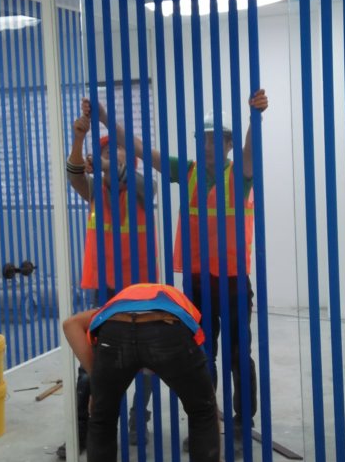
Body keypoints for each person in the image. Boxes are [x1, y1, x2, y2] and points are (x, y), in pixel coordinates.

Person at [98, 90, 268, 441]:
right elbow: (139, 147)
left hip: (233, 283)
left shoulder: (240, 173)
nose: (207, 146)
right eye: (202, 139)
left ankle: (241, 423)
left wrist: (255, 117)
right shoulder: (186, 171)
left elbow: (251, 151)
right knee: (201, 354)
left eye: (215, 140)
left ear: (229, 145)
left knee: (239, 355)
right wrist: (103, 118)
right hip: (197, 283)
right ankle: (205, 422)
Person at [63, 282, 242, 462]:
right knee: (202, 411)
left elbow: (70, 324)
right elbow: (206, 406)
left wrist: (97, 381)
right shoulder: (184, 312)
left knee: (102, 420)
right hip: (166, 330)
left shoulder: (112, 309)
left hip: (114, 335)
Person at [64, 99, 154, 455]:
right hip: (103, 289)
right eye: (105, 152)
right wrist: (78, 138)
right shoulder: (95, 192)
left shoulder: (143, 188)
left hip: (139, 290)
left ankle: (138, 419)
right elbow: (74, 174)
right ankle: (84, 431)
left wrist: (102, 164)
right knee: (91, 360)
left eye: (118, 153)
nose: (111, 157)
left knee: (146, 357)